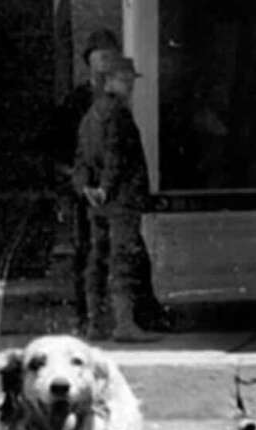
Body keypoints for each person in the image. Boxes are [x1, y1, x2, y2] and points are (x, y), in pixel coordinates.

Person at [43, 29, 172, 333]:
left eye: (110, 56)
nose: (105, 63)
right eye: (99, 57)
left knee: (118, 256)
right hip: (99, 196)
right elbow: (86, 153)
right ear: (89, 62)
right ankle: (103, 321)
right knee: (102, 255)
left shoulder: (107, 106)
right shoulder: (85, 104)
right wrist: (86, 186)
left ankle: (130, 316)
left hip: (101, 195)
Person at [73, 55, 160, 343]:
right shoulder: (118, 114)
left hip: (97, 204)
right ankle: (125, 325)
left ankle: (95, 324)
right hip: (120, 201)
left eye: (130, 81)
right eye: (124, 80)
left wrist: (87, 188)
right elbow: (114, 155)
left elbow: (82, 160)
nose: (129, 86)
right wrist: (106, 188)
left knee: (97, 261)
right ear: (109, 81)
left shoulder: (90, 115)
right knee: (123, 261)